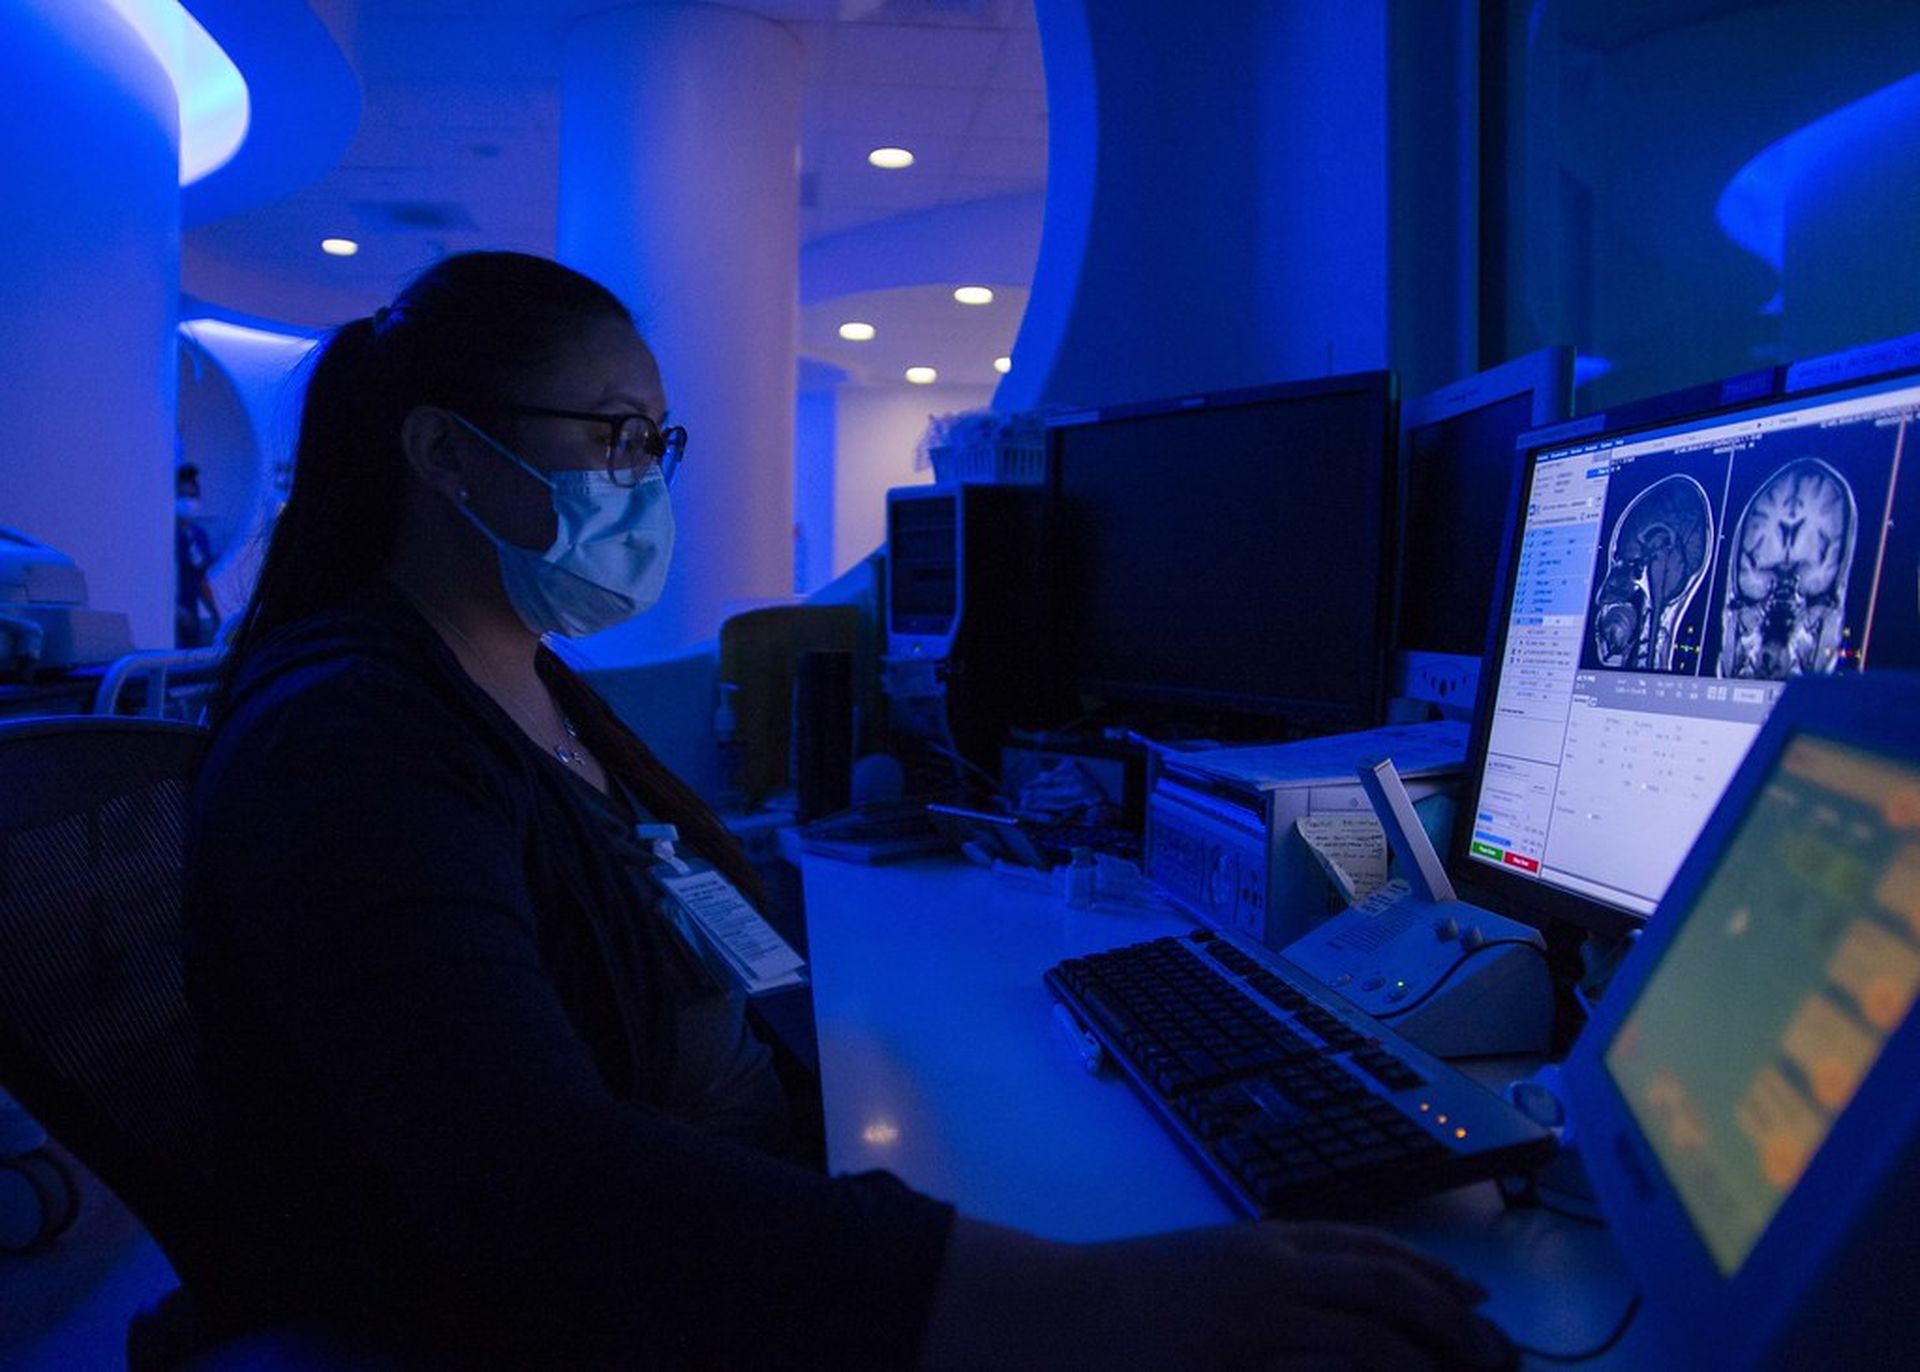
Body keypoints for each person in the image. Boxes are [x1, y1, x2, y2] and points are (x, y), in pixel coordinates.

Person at [185, 251, 1515, 1370]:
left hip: (706, 1212)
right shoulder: (349, 746)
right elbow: (544, 1187)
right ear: (444, 455)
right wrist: (1088, 1301)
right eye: (614, 437)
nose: (647, 479)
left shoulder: (514, 679)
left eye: (660, 442)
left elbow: (650, 908)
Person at [174, 462, 220, 647]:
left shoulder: (199, 536)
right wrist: (175, 610)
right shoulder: (164, 536)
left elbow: (201, 580)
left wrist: (216, 615)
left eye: (193, 496)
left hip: (191, 619)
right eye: (183, 496)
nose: (189, 502)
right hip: (169, 618)